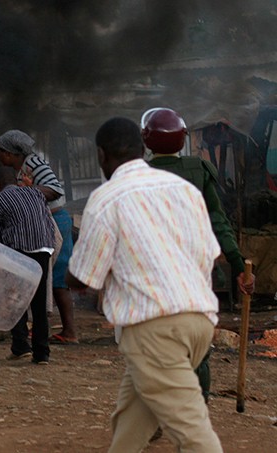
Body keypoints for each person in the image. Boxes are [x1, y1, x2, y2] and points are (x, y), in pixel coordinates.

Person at [66, 117, 223, 452]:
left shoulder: (107, 198)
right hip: (199, 323)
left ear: (100, 155)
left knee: (194, 436)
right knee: (132, 420)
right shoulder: (184, 190)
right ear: (142, 149)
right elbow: (209, 254)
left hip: (155, 328)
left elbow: (83, 277)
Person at [142, 107, 255, 403]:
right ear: (182, 139)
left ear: (147, 139)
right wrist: (238, 263)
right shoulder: (198, 170)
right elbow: (218, 222)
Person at [0, 130, 78, 344]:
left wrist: (26, 192)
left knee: (51, 279)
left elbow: (54, 189)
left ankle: (61, 331)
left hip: (55, 222)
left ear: (12, 153)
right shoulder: (21, 168)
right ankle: (55, 331)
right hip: (48, 221)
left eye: (1, 152)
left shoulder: (35, 164)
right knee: (50, 279)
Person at [0, 166, 55, 365]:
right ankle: (42, 353)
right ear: (16, 180)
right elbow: (46, 221)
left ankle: (21, 346)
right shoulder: (35, 193)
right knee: (39, 303)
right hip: (43, 249)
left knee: (15, 299)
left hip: (19, 252)